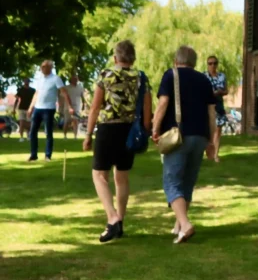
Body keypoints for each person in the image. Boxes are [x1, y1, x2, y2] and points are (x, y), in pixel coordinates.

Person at [83, 41, 152, 243]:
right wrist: (146, 130)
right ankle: (120, 221)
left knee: (99, 175)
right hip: (129, 130)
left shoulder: (106, 75)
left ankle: (112, 218)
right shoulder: (141, 78)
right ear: (133, 59)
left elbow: (95, 107)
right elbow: (147, 106)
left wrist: (88, 134)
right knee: (122, 176)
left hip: (108, 128)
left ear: (115, 58)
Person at [152, 45, 216, 244]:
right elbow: (211, 113)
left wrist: (154, 128)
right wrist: (212, 141)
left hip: (178, 135)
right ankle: (179, 224)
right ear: (194, 62)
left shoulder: (171, 76)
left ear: (175, 60)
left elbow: (163, 104)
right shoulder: (205, 80)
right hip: (201, 136)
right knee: (187, 181)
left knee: (171, 182)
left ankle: (185, 224)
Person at [27, 60, 69, 162]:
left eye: (45, 66)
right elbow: (36, 94)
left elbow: (63, 92)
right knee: (32, 132)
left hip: (49, 109)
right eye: (42, 66)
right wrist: (30, 107)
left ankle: (48, 156)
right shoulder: (40, 79)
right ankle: (33, 155)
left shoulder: (56, 79)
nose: (42, 68)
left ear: (50, 68)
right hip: (38, 108)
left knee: (48, 133)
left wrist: (65, 106)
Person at [205, 55, 228, 163]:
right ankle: (207, 152)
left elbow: (226, 91)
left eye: (214, 63)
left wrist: (220, 92)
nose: (212, 65)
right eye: (210, 63)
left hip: (218, 105)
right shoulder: (203, 76)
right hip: (207, 106)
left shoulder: (222, 76)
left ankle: (215, 155)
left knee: (218, 130)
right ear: (207, 64)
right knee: (207, 130)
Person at [63, 73, 86, 139]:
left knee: (75, 121)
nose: (75, 80)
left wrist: (83, 104)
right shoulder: (66, 88)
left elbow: (82, 96)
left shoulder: (80, 88)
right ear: (71, 80)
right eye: (74, 79)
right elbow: (63, 97)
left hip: (77, 106)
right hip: (67, 107)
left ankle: (75, 136)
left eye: (76, 79)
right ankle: (65, 136)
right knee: (67, 122)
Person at [15, 78, 34, 143]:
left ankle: (28, 136)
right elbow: (17, 99)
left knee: (29, 124)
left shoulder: (32, 90)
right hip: (21, 108)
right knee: (21, 123)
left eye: (27, 81)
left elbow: (34, 100)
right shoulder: (20, 90)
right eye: (25, 81)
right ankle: (21, 137)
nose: (26, 82)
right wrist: (14, 108)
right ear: (24, 81)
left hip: (29, 109)